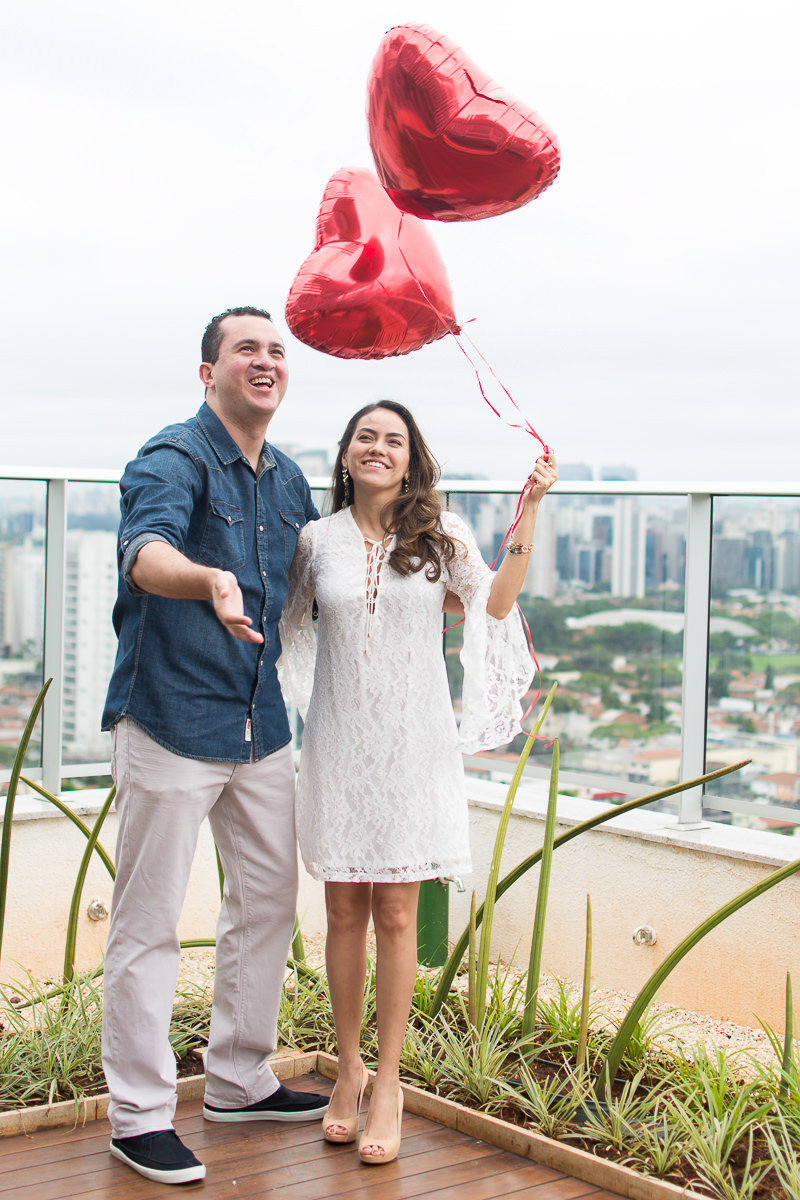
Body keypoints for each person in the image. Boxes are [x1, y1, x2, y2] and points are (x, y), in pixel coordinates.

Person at [278, 401, 557, 1165]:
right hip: (336, 743)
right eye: (365, 436)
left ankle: (391, 1082)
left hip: (413, 746)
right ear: (344, 456)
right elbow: (285, 629)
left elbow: (496, 602)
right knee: (341, 908)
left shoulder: (441, 535)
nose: (378, 447)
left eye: (393, 440)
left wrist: (528, 507)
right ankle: (347, 1071)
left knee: (397, 913)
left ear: (410, 460)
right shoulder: (314, 542)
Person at [100, 306, 329, 1186]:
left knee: (268, 902)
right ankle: (139, 1116)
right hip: (170, 717)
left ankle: (237, 1078)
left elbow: (321, 578)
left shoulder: (288, 479)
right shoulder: (174, 455)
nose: (265, 361)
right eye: (246, 350)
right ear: (209, 373)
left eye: (277, 350)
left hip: (261, 723)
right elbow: (145, 553)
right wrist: (211, 580)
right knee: (149, 926)